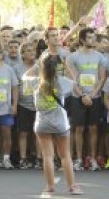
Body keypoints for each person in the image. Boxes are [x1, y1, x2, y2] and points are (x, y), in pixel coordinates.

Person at [34, 52, 82, 197]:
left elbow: (23, 76)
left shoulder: (35, 82)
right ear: (57, 68)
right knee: (65, 155)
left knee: (47, 156)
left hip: (42, 123)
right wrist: (66, 65)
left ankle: (49, 187)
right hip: (60, 123)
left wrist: (39, 64)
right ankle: (72, 186)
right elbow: (75, 80)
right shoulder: (62, 81)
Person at [67, 27, 107, 171]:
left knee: (93, 128)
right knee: (78, 128)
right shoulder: (73, 57)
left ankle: (93, 158)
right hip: (78, 96)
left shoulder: (100, 57)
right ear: (82, 40)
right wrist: (82, 95)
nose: (93, 40)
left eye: (94, 37)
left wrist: (92, 95)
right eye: (89, 37)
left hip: (94, 97)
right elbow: (72, 78)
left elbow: (102, 78)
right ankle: (78, 159)